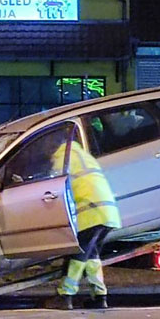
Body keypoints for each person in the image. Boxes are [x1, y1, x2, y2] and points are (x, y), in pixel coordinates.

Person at [50, 132, 122, 309]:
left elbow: (52, 189)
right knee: (92, 256)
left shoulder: (62, 161)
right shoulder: (85, 157)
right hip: (109, 214)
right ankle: (100, 296)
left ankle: (66, 295)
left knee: (78, 255)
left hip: (90, 214)